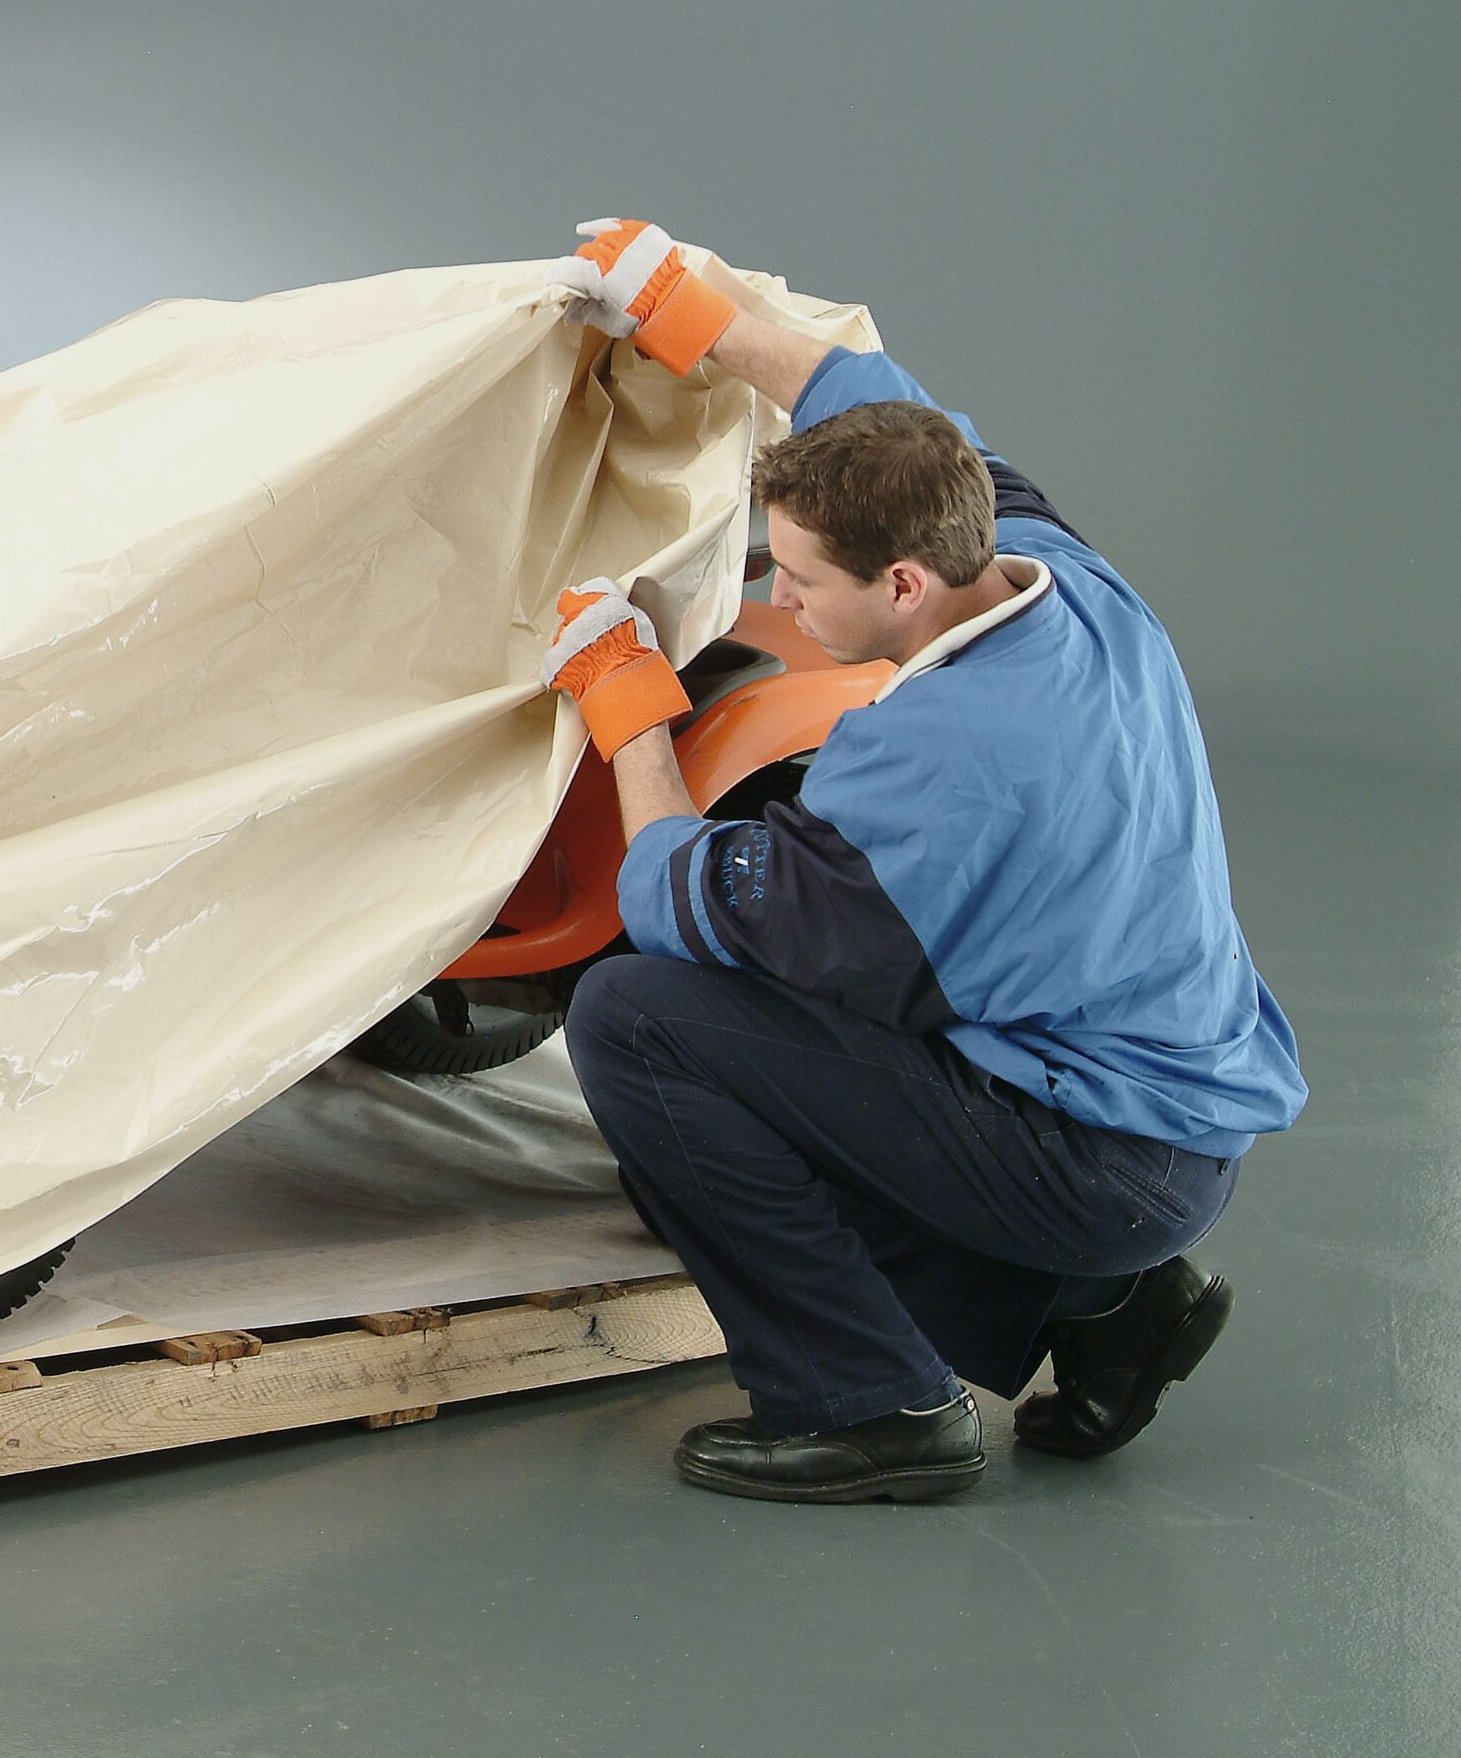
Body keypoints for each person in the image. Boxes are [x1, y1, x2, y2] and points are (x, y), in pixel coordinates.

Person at [536, 219, 1307, 1503]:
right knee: (814, 1046)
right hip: (1174, 1113)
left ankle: (872, 1406)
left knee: (641, 1022)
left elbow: (675, 899)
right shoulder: (1063, 578)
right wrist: (697, 314)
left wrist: (630, 711)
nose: (778, 605)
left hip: (1095, 1160)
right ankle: (1110, 1309)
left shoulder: (926, 766)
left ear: (900, 583)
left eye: (797, 581)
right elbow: (888, 412)